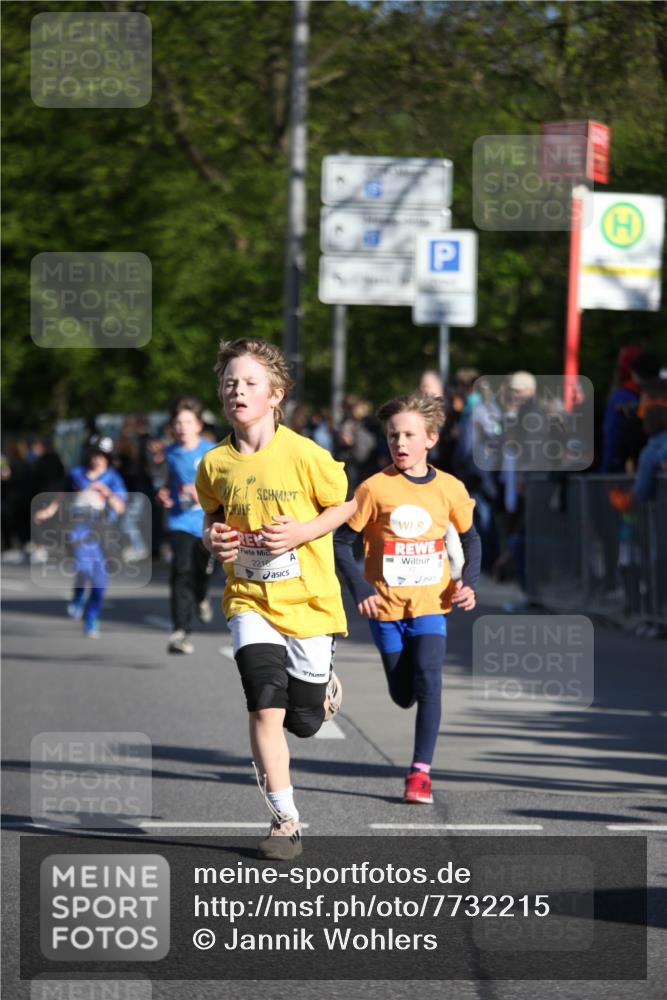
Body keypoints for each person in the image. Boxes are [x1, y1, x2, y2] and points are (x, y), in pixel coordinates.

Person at [195, 338, 356, 860]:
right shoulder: (214, 464)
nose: (236, 390)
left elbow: (345, 507)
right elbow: (212, 518)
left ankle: (322, 686)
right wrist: (212, 538)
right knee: (264, 703)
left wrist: (303, 531)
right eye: (229, 383)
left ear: (276, 394)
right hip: (249, 598)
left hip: (308, 601)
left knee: (302, 721)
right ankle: (285, 821)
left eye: (249, 383)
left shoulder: (307, 455)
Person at [334, 391, 481, 805]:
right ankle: (402, 682)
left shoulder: (450, 488)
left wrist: (468, 582)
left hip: (432, 604)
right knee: (403, 695)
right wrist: (360, 589)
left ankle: (420, 773)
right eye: (392, 435)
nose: (399, 443)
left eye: (408, 435)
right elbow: (341, 543)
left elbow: (471, 538)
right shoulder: (373, 489)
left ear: (430, 439)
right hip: (383, 606)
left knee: (430, 680)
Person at [33, 435, 127, 638]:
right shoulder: (77, 474)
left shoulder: (113, 478)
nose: (97, 459)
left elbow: (120, 508)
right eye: (94, 454)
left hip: (102, 530)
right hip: (78, 527)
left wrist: (106, 493)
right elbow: (62, 495)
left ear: (109, 458)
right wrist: (48, 511)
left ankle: (91, 618)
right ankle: (77, 595)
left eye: (102, 455)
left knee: (100, 581)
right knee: (84, 566)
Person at [157, 397, 215, 655]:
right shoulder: (169, 453)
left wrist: (202, 494)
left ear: (198, 425)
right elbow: (167, 482)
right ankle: (180, 631)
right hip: (180, 521)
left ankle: (202, 596)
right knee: (181, 572)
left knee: (201, 571)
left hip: (207, 520)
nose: (182, 427)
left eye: (187, 422)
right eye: (178, 422)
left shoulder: (212, 451)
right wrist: (163, 495)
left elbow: (224, 487)